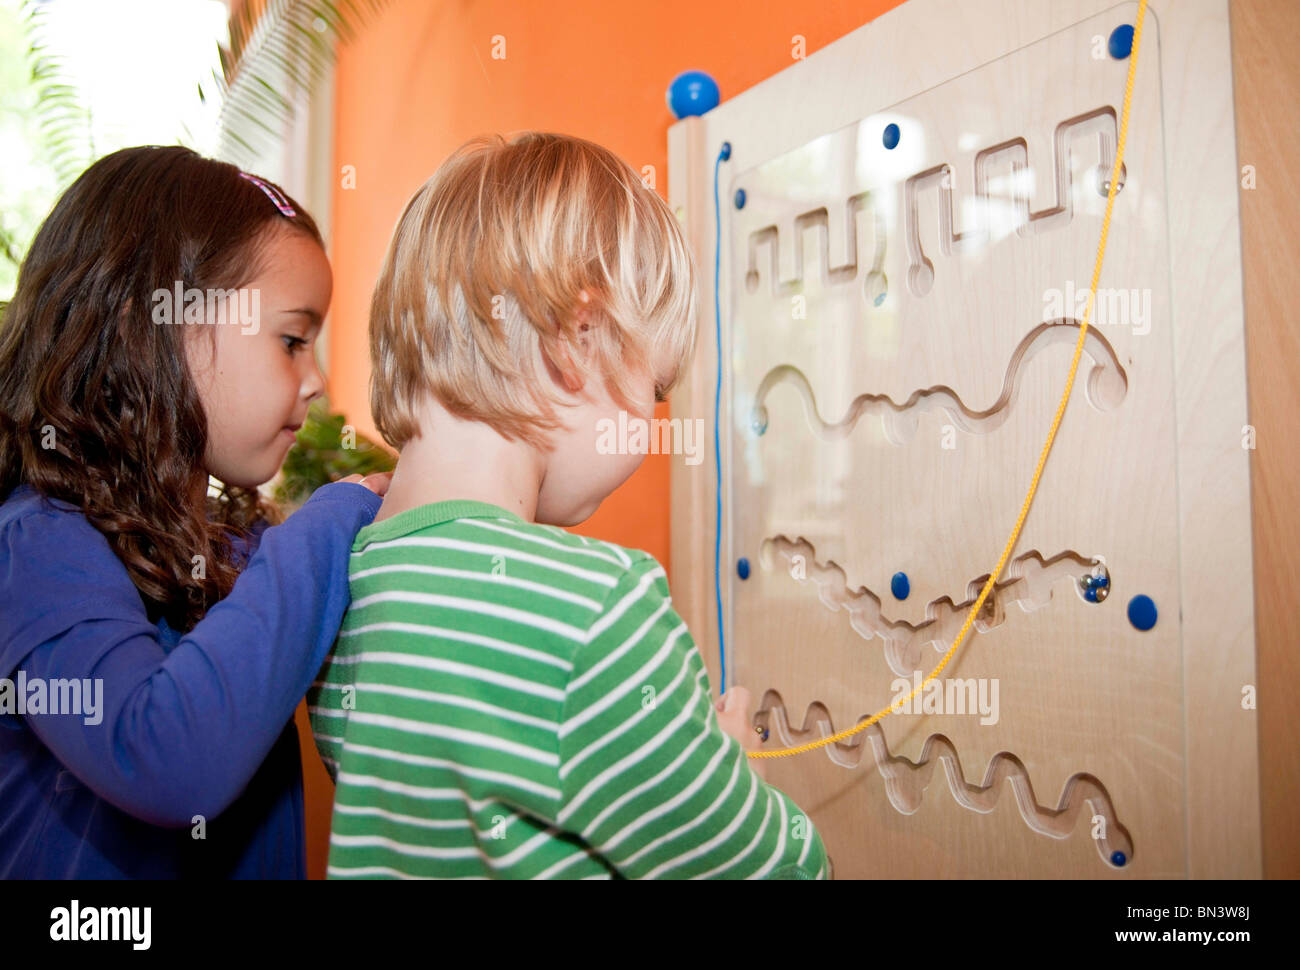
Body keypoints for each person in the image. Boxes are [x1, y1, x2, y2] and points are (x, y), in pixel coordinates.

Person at [308, 132, 829, 878]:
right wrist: (739, 777)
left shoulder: (336, 592)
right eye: (656, 388)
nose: (654, 419)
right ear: (578, 341)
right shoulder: (600, 613)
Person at [0, 146, 391, 878]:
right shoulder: (38, 547)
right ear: (154, 326)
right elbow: (166, 761)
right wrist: (330, 523)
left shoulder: (234, 554)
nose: (317, 382)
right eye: (292, 340)